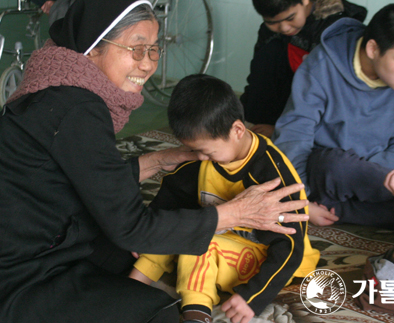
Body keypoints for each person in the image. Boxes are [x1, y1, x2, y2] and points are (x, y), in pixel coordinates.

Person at [0, 0, 311, 323]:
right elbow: (132, 226)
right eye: (135, 48)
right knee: (158, 309)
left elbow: (85, 175)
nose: (148, 63)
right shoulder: (77, 110)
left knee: (129, 259)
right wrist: (235, 213)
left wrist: (157, 161)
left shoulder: (58, 88)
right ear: (94, 47)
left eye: (153, 49)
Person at [128, 74, 338, 323]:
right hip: (222, 237)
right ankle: (132, 286)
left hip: (263, 255)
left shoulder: (273, 175)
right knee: (177, 227)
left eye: (207, 151)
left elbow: (290, 248)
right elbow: (172, 195)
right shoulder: (203, 156)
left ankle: (196, 312)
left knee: (200, 243)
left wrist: (253, 296)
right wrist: (147, 235)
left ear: (237, 130)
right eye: (194, 150)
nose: (200, 158)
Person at [273, 2, 394, 229]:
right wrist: (301, 200)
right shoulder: (322, 66)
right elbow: (295, 135)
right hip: (327, 170)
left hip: (379, 175)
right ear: (373, 49)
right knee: (337, 167)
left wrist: (369, 174)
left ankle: (339, 206)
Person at [239, 0, 367, 138]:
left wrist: (281, 129)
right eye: (272, 22)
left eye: (291, 18)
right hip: (284, 104)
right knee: (270, 50)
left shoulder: (334, 28)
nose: (284, 27)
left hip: (322, 111)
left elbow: (336, 93)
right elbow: (258, 78)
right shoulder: (269, 30)